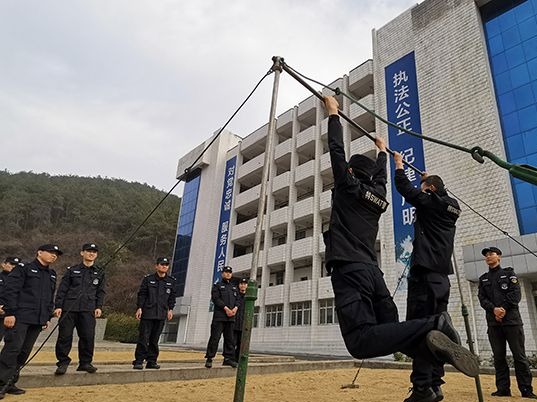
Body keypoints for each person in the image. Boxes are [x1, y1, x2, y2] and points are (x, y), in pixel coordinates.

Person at [322, 96, 478, 402]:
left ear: (351, 174)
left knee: (360, 342)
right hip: (372, 274)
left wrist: (333, 115)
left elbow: (336, 153)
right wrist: (382, 152)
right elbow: (377, 178)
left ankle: (435, 326)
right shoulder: (378, 196)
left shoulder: (348, 187)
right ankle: (426, 383)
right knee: (397, 332)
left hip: (351, 269)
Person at [394, 153, 461, 401]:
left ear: (430, 190)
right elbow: (437, 195)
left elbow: (405, 189)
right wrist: (427, 182)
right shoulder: (452, 205)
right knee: (437, 332)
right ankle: (435, 382)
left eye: (426, 189)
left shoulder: (430, 201)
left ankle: (422, 387)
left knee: (421, 331)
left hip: (425, 275)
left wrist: (399, 164)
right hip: (442, 278)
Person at [0, 244, 62, 399]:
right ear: (39, 252)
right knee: (12, 350)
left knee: (23, 353)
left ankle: (10, 383)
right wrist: (10, 312)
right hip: (19, 317)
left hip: (36, 320)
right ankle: (0, 384)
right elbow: (10, 290)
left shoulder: (52, 274)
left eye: (56, 254)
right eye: (50, 252)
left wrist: (47, 317)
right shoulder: (23, 269)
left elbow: (49, 298)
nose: (53, 255)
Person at [478, 246, 536, 399]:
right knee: (498, 357)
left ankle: (526, 390)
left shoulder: (509, 274)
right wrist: (494, 310)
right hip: (494, 323)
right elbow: (482, 299)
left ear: (499, 257)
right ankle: (503, 389)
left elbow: (515, 295)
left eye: (491, 254)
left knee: (519, 357)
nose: (488, 257)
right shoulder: (483, 278)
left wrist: (502, 308)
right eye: (486, 255)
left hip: (512, 322)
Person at [54, 243, 105, 375]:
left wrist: (99, 306)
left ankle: (85, 363)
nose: (91, 254)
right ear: (82, 253)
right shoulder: (72, 270)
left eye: (94, 252)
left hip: (88, 309)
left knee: (88, 337)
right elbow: (62, 289)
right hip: (69, 308)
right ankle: (63, 363)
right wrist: (58, 305)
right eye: (88, 251)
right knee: (65, 336)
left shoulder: (99, 272)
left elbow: (100, 292)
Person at [132, 257, 176, 370]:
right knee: (143, 338)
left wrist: (170, 309)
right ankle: (139, 360)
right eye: (162, 264)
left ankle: (151, 361)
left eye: (166, 265)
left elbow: (172, 297)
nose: (164, 266)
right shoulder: (148, 279)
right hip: (147, 313)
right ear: (156, 266)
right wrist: (139, 308)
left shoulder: (171, 281)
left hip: (161, 313)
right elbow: (142, 294)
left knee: (155, 339)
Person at [204, 266, 239, 369]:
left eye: (229, 272)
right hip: (220, 317)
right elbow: (216, 299)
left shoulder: (234, 287)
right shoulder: (217, 286)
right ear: (222, 273)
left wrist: (235, 308)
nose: (228, 274)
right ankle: (209, 358)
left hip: (231, 317)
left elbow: (238, 300)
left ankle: (228, 359)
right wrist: (226, 309)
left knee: (230, 339)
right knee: (215, 338)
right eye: (226, 272)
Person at [0, 258, 22, 342]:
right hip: (1, 313)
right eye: (11, 264)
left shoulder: (22, 280)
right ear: (3, 264)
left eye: (16, 265)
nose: (13, 267)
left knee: (12, 340)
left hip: (14, 314)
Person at [233, 278, 248, 362]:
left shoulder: (248, 297)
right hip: (234, 324)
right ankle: (230, 359)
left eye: (245, 284)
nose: (243, 285)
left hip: (243, 324)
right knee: (232, 343)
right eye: (241, 284)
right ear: (239, 285)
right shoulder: (235, 296)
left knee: (241, 344)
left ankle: (237, 360)